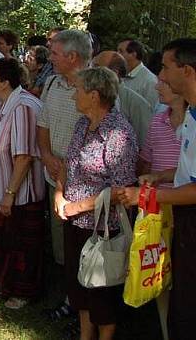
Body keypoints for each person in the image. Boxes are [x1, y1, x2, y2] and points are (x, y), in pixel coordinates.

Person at [117, 39, 196, 340]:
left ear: (186, 70)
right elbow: (189, 171)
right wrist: (162, 175)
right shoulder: (190, 116)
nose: (159, 76)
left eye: (165, 67)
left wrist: (148, 196)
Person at [54, 67, 137, 340]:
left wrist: (77, 206)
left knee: (101, 295)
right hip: (74, 221)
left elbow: (121, 190)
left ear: (94, 95)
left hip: (101, 230)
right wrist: (60, 192)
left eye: (77, 90)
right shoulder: (81, 123)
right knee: (79, 287)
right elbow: (69, 162)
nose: (72, 97)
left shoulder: (119, 133)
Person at [0, 58, 45, 310]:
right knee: (2, 239)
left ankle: (22, 290)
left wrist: (10, 193)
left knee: (22, 244)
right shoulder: (1, 104)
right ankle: (4, 283)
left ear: (5, 82)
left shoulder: (23, 107)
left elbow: (24, 155)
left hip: (19, 193)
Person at [37, 29, 89, 270]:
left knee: (82, 239)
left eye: (55, 53)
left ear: (73, 57)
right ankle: (65, 283)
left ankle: (81, 294)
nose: (50, 58)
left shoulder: (94, 85)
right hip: (54, 173)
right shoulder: (52, 83)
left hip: (85, 180)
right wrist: (47, 156)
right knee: (60, 236)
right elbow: (43, 124)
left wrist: (66, 169)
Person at [93, 51, 153, 147]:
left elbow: (144, 144)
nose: (91, 71)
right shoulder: (91, 96)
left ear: (114, 73)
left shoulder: (137, 104)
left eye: (96, 67)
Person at [118, 38, 159, 109]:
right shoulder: (120, 75)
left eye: (121, 51)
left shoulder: (149, 81)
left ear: (133, 54)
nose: (117, 54)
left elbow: (150, 112)